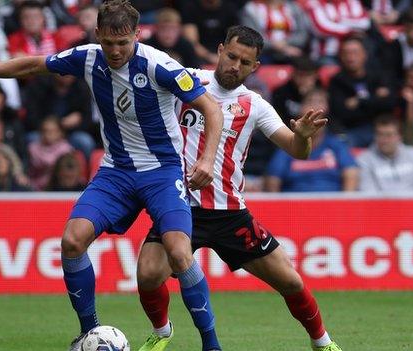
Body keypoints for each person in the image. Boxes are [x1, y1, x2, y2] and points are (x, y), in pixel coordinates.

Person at [0, 1, 225, 350]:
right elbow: (33, 63)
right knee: (72, 240)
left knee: (180, 253)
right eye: (108, 42)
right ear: (97, 34)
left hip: (161, 173)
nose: (115, 51)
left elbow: (211, 108)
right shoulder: (88, 56)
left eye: (123, 43)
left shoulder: (159, 66)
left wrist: (207, 160)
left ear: (137, 34)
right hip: (116, 171)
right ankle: (90, 332)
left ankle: (211, 343)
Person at [135, 26, 342, 351]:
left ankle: (323, 342)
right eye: (231, 56)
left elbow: (296, 150)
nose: (235, 65)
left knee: (289, 280)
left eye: (245, 62)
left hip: (230, 213)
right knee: (147, 274)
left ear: (255, 67)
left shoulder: (254, 104)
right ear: (219, 50)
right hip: (179, 206)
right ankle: (162, 332)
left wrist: (302, 136)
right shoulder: (187, 81)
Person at [265, 89, 359, 192]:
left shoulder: (336, 145)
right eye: (310, 101)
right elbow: (273, 181)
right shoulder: (287, 145)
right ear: (301, 108)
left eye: (320, 101)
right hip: (294, 205)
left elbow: (351, 174)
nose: (315, 106)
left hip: (331, 205)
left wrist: (345, 206)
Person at [328, 35, 396, 147]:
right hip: (351, 131)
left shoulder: (378, 76)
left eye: (355, 53)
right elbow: (341, 112)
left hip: (379, 129)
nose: (350, 57)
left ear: (365, 55)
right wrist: (375, 99)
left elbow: (389, 104)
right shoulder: (337, 81)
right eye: (346, 53)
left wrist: (359, 101)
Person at [357, 115, 413, 192]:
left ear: (399, 136)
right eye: (380, 135)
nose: (384, 140)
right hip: (382, 207)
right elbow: (368, 192)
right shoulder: (364, 160)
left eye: (389, 135)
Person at [29, 116, 75, 190]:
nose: (48, 134)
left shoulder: (66, 149)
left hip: (58, 189)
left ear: (60, 132)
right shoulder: (33, 148)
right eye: (45, 131)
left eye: (51, 131)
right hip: (35, 189)